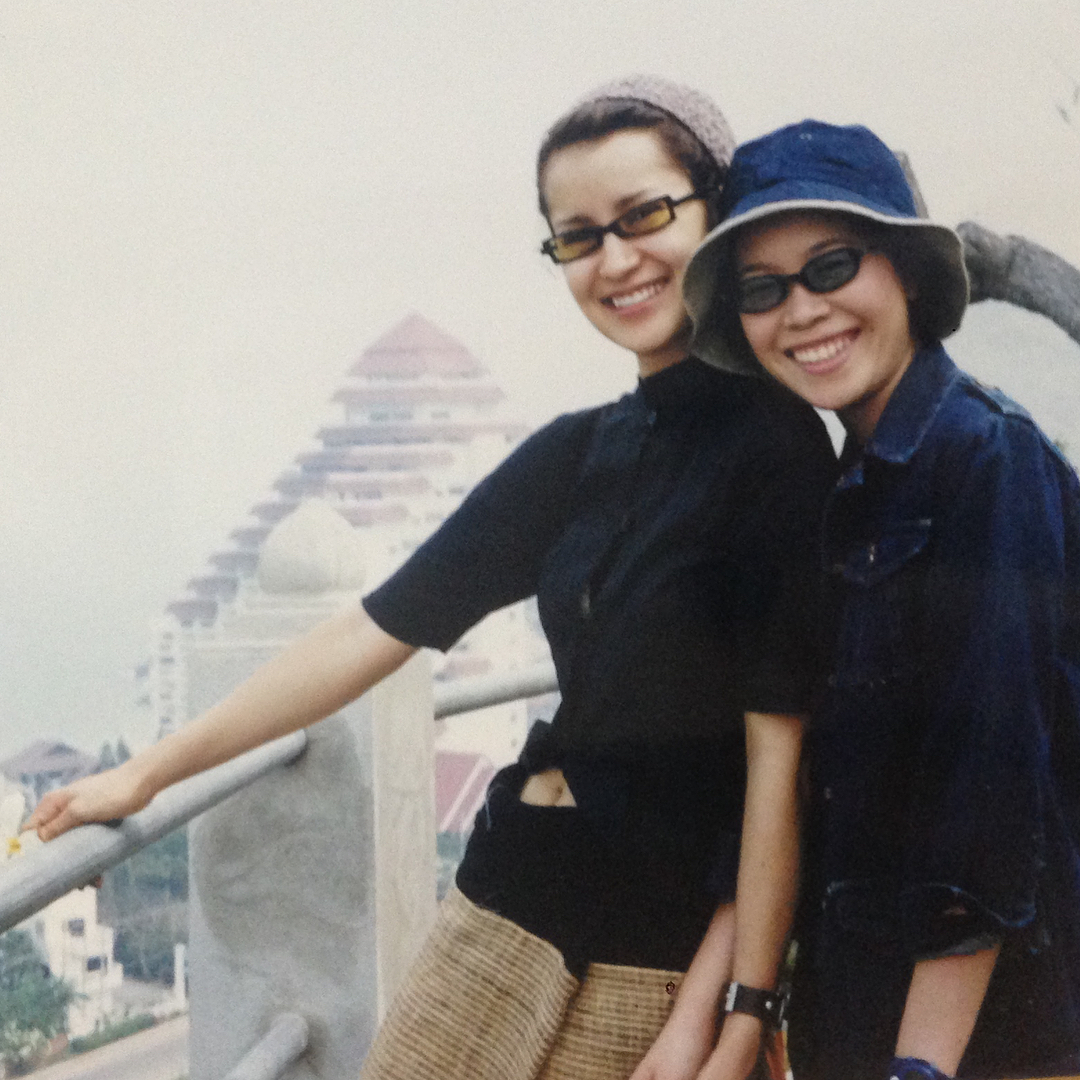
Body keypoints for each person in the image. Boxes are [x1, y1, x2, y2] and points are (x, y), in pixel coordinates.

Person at [27, 78, 837, 1080]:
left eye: (644, 216)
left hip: (656, 947)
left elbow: (778, 772)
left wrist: (737, 1012)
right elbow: (374, 630)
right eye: (579, 237)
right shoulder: (578, 452)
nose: (616, 259)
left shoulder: (779, 453)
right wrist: (150, 773)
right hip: (505, 901)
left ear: (713, 211)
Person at [683, 119, 1080, 1080]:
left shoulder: (986, 458)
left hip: (994, 1041)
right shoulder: (848, 486)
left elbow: (989, 788)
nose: (802, 310)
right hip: (861, 1013)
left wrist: (920, 1066)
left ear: (903, 270)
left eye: (831, 267)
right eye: (762, 290)